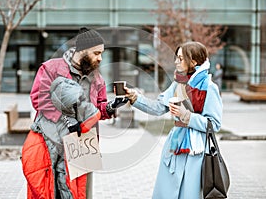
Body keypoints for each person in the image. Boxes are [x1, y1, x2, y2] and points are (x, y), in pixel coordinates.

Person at [21, 27, 128, 199]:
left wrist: (110, 107)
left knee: (80, 193)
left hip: (82, 145)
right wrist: (68, 120)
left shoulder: (97, 77)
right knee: (48, 190)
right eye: (96, 53)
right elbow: (39, 99)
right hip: (52, 141)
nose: (100, 58)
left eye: (101, 53)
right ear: (82, 50)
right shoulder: (51, 68)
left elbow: (98, 107)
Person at [125, 41, 223, 199]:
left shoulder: (209, 87)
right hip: (175, 147)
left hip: (196, 152)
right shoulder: (178, 83)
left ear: (194, 62)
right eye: (176, 58)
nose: (176, 62)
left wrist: (187, 116)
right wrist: (135, 98)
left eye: (180, 58)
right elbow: (158, 108)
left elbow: (215, 124)